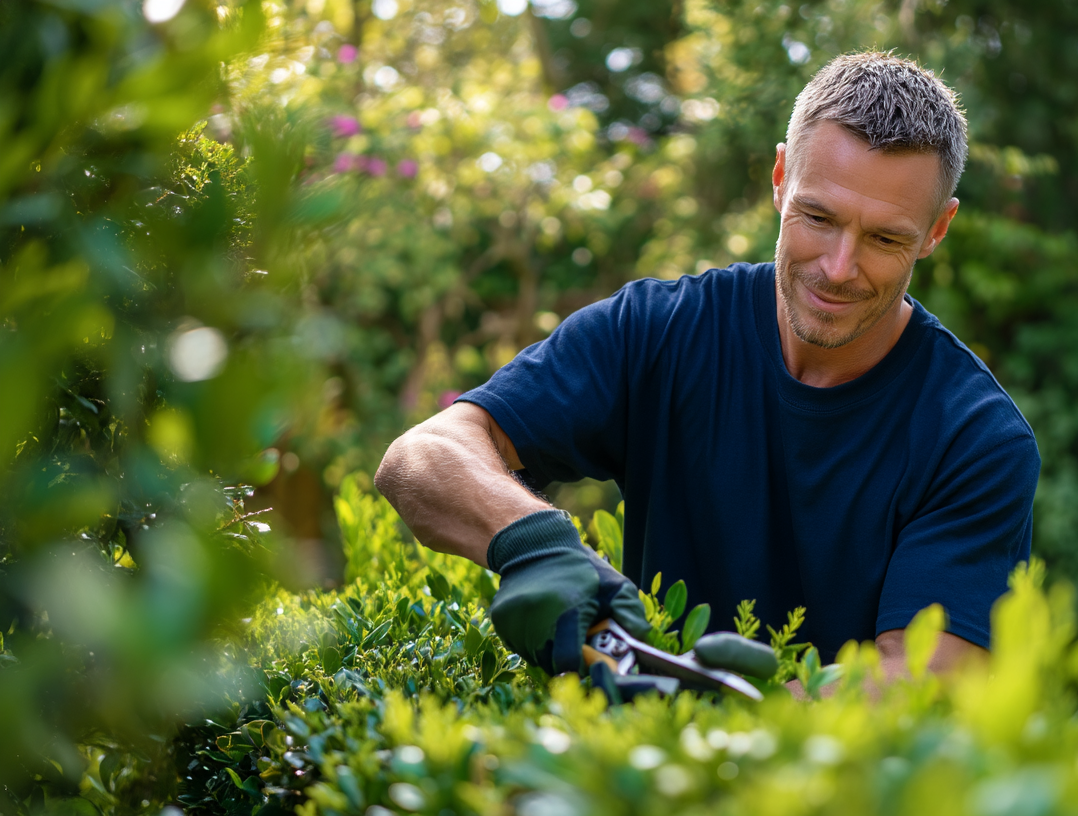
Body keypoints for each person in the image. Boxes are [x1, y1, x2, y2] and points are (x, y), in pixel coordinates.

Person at [375, 52, 1039, 685]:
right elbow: (423, 456)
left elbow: (925, 680)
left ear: (936, 230)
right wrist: (536, 546)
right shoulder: (661, 332)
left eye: (885, 238)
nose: (839, 267)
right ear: (781, 180)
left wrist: (738, 701)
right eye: (818, 216)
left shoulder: (975, 439)